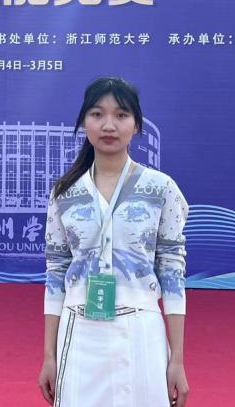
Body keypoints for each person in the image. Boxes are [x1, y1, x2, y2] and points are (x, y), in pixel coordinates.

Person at [38, 77, 191, 406]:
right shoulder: (64, 193)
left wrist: (177, 359)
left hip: (141, 330)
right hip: (79, 332)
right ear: (84, 122)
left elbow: (172, 271)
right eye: (97, 114)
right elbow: (56, 272)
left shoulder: (161, 189)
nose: (109, 125)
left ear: (136, 124)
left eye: (121, 115)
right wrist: (49, 355)